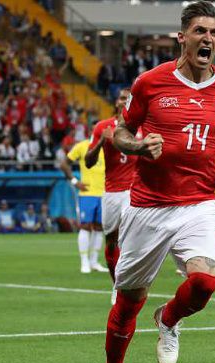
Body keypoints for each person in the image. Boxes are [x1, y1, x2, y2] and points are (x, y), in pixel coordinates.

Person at [102, 2, 215, 363]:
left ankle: (168, 318)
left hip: (199, 202)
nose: (208, 39)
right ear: (181, 37)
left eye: (214, 32)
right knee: (128, 302)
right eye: (200, 31)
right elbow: (120, 132)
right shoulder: (150, 83)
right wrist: (138, 146)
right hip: (148, 207)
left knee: (204, 283)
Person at [85, 88, 136, 299]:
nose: (124, 102)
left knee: (129, 239)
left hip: (134, 192)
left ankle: (129, 285)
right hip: (112, 192)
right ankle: (116, 285)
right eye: (122, 98)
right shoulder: (102, 127)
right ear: (117, 102)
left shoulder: (142, 126)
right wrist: (101, 142)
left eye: (129, 99)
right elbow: (88, 162)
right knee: (111, 241)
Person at [61, 138, 107, 274]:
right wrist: (75, 181)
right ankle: (84, 261)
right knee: (86, 226)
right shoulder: (82, 146)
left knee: (99, 228)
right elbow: (64, 164)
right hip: (88, 193)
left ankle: (94, 261)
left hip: (105, 193)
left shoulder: (109, 146)